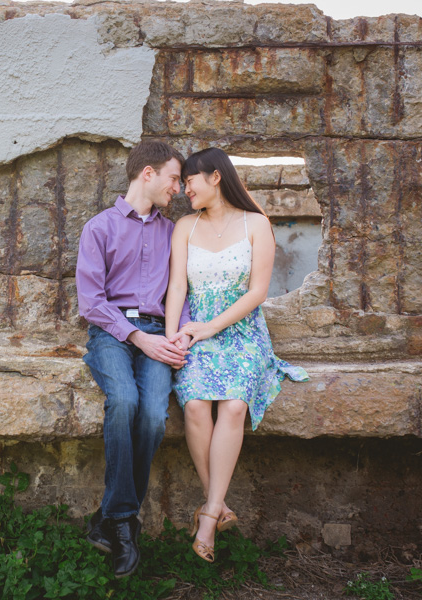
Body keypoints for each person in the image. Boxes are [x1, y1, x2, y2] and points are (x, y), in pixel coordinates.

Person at [164, 148, 308, 563]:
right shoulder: (184, 227)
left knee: (232, 406)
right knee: (193, 404)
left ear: (214, 177)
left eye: (189, 180)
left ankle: (208, 516)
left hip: (241, 332)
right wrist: (175, 337)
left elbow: (257, 292)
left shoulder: (256, 223)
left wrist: (211, 328)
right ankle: (218, 504)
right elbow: (177, 288)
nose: (184, 189)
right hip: (195, 332)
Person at [76, 139, 192, 578]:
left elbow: (183, 290)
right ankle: (125, 523)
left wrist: (172, 337)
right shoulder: (100, 228)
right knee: (123, 400)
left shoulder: (173, 231)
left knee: (154, 416)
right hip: (111, 332)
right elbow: (91, 302)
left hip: (159, 333)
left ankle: (112, 518)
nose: (178, 189)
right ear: (148, 174)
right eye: (174, 178)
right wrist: (137, 339)